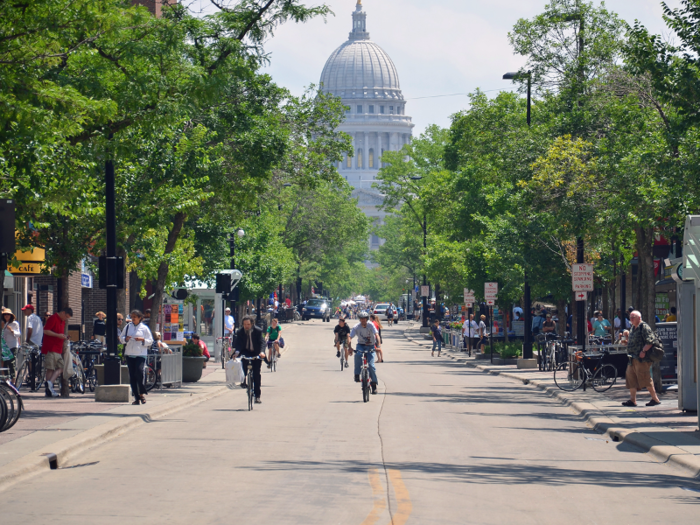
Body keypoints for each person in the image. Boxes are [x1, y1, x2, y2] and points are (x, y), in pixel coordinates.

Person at [623, 310, 661, 407]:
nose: (631, 319)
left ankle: (655, 399)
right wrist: (627, 342)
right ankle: (632, 400)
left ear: (639, 318)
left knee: (645, 378)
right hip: (632, 358)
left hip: (642, 359)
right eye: (630, 317)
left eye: (633, 317)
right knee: (631, 378)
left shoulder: (643, 327)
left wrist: (643, 351)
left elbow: (650, 341)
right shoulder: (633, 327)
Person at [120, 309, 153, 405]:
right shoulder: (127, 327)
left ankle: (142, 393)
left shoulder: (144, 328)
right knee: (132, 376)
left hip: (140, 354)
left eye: (135, 317)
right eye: (132, 317)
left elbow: (150, 340)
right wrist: (125, 339)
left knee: (139, 372)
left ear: (140, 318)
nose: (133, 319)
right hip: (130, 354)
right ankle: (136, 397)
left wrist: (142, 340)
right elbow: (121, 338)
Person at [234, 315, 267, 403]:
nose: (247, 326)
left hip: (256, 353)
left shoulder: (258, 331)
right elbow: (238, 344)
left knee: (256, 374)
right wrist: (237, 352)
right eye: (245, 324)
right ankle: (243, 380)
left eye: (248, 324)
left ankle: (257, 396)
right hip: (246, 351)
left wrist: (262, 352)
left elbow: (262, 342)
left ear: (252, 324)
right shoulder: (240, 332)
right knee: (243, 365)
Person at [42, 307, 73, 397]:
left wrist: (64, 337)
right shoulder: (53, 318)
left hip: (57, 348)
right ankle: (49, 389)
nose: (66, 319)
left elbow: (58, 333)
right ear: (63, 312)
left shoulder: (62, 321)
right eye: (66, 316)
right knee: (50, 368)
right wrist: (58, 335)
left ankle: (49, 384)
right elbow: (46, 330)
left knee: (61, 367)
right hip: (51, 347)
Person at [349, 311, 381, 395]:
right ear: (359, 319)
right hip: (361, 345)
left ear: (367, 319)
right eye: (361, 319)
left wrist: (378, 345)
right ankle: (357, 374)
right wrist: (349, 347)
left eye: (364, 319)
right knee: (358, 355)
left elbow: (377, 335)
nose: (363, 320)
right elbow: (350, 337)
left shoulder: (371, 325)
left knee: (371, 365)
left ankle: (374, 385)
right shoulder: (356, 327)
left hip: (371, 346)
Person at [2, 308, 21, 378]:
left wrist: (12, 330)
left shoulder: (15, 323)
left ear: (11, 316)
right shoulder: (3, 324)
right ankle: (7, 379)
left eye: (8, 314)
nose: (6, 316)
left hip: (12, 346)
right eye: (5, 314)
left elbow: (18, 334)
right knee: (5, 364)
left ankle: (13, 380)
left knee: (11, 363)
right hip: (4, 347)